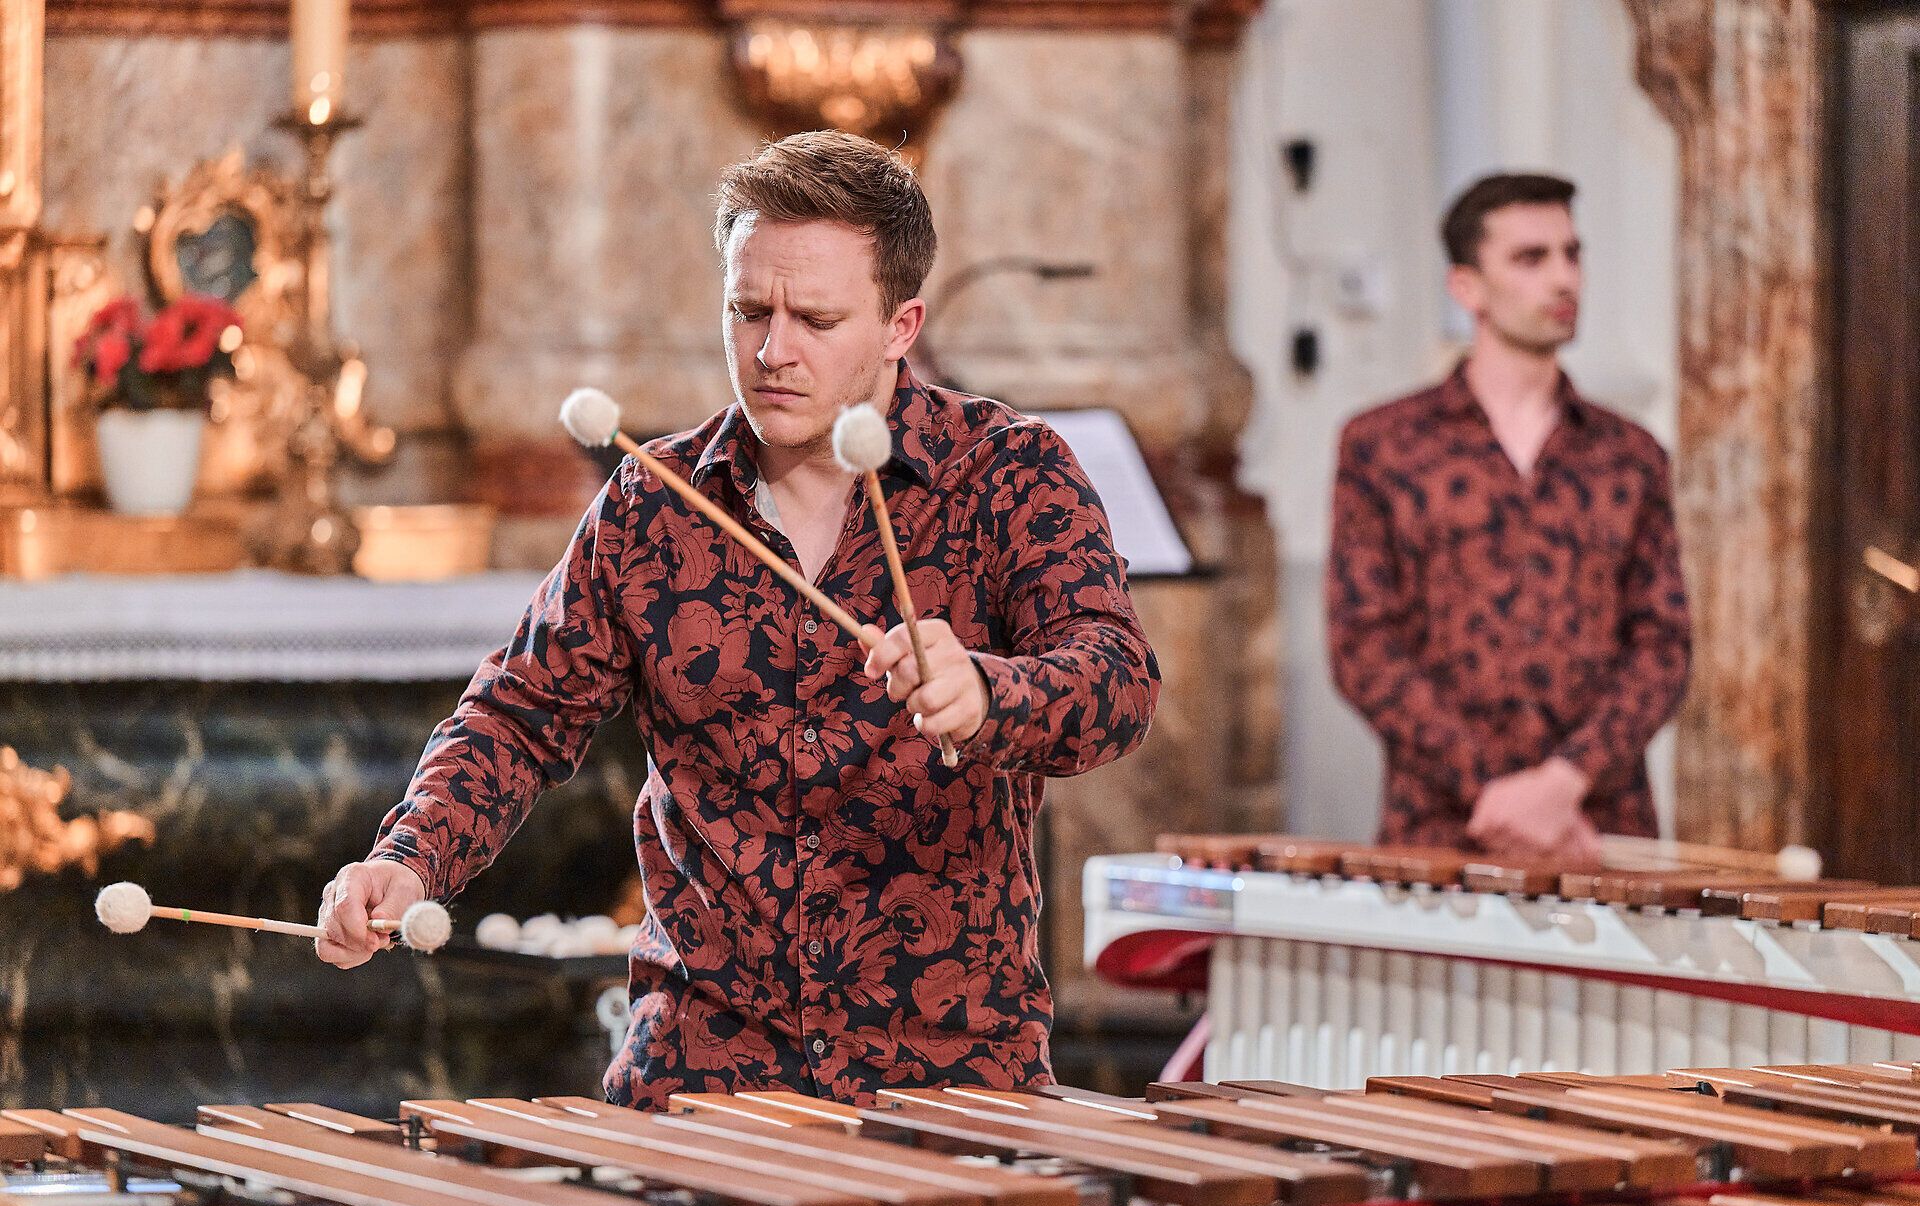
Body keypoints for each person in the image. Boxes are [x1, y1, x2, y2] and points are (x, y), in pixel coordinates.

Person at [312, 131, 1159, 1109]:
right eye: (749, 310)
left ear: (901, 325)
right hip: (701, 1070)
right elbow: (519, 713)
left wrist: (988, 692)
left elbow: (1118, 677)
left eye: (817, 319)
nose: (772, 351)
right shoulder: (654, 502)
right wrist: (409, 856)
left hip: (948, 1067)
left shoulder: (1008, 472)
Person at [1326, 172, 1690, 860]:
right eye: (1531, 258)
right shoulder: (1384, 445)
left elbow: (1663, 644)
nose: (1563, 278)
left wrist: (1563, 783)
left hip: (1596, 827)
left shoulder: (1629, 454)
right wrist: (1495, 792)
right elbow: (1363, 646)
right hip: (1443, 829)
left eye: (1572, 254)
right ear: (1467, 287)